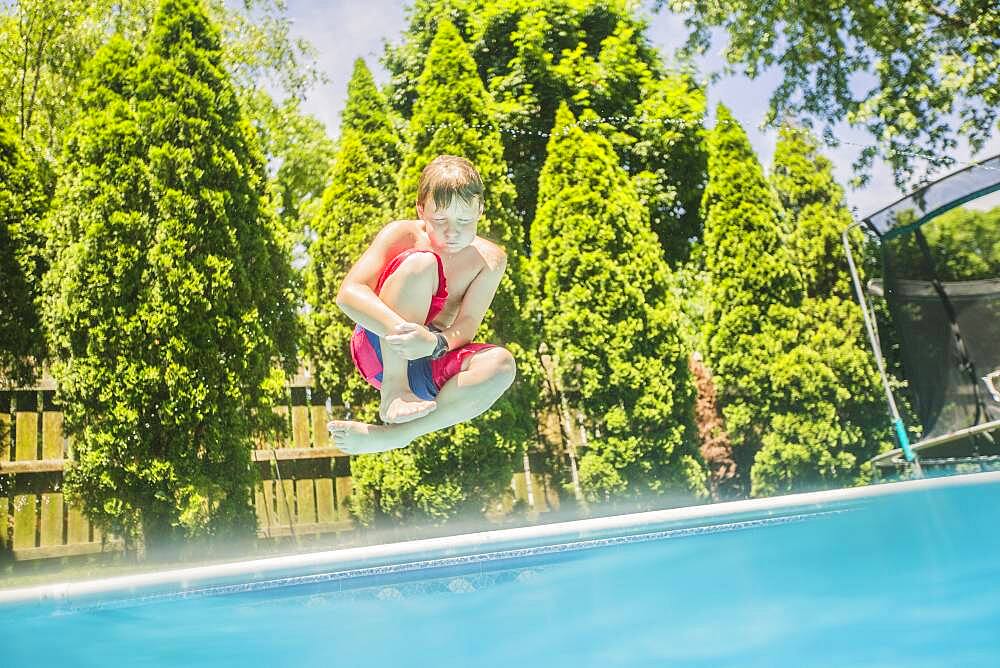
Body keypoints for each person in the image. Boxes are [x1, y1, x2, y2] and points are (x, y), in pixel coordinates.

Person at [328, 155, 517, 455]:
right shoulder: (404, 235)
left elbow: (467, 324)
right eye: (439, 220)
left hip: (430, 359)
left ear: (480, 210)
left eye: (464, 221)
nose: (451, 231)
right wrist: (404, 333)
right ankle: (394, 388)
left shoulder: (490, 260)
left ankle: (397, 436)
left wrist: (433, 344)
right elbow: (348, 295)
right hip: (378, 352)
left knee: (502, 365)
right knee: (422, 264)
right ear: (421, 210)